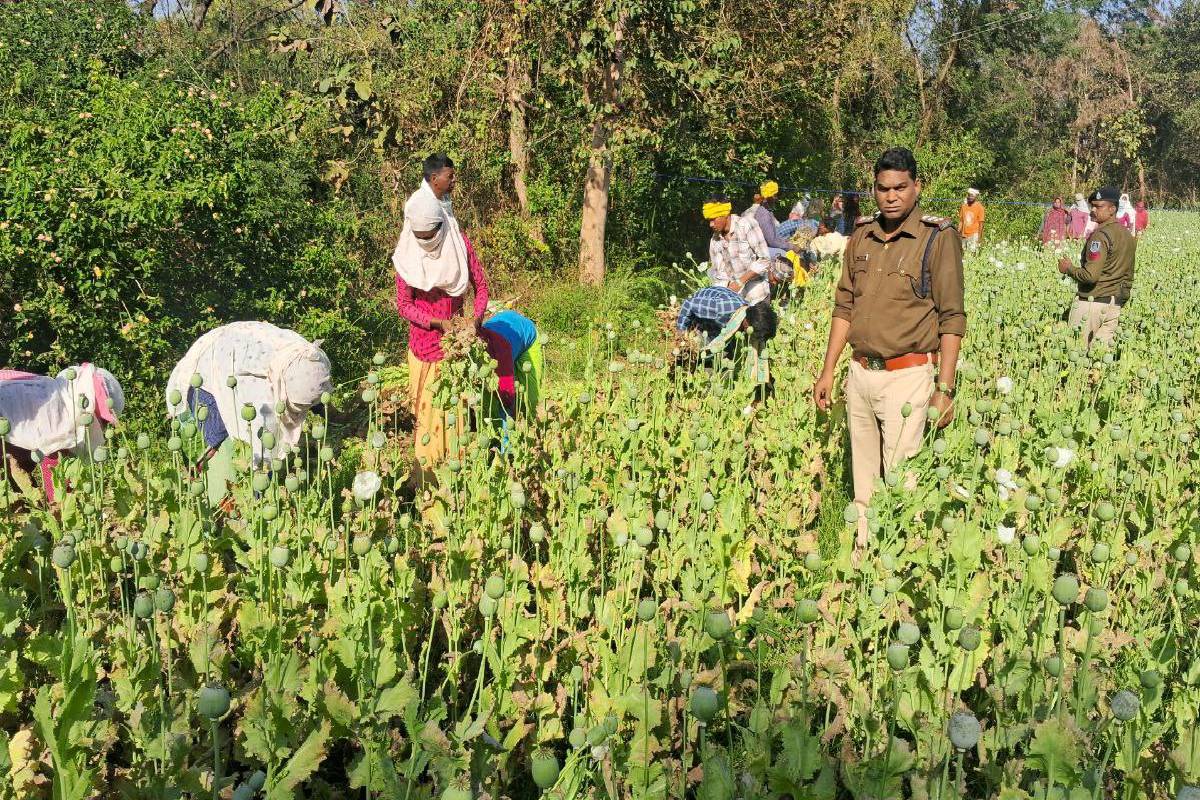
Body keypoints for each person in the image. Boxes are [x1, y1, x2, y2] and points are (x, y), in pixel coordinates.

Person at [813, 147, 965, 545]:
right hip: (860, 373)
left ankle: (897, 570)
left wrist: (944, 390)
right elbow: (844, 306)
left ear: (917, 187)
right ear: (874, 190)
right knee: (863, 483)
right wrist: (829, 369)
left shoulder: (937, 238)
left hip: (908, 378)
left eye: (900, 187)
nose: (891, 196)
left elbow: (952, 318)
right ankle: (864, 562)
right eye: (883, 188)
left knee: (901, 483)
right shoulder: (861, 234)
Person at [392, 153, 490, 486]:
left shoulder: (459, 244)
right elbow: (404, 305)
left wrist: (471, 323)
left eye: (431, 234)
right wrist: (437, 324)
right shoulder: (406, 256)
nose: (426, 242)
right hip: (422, 351)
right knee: (427, 429)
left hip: (454, 355)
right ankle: (427, 492)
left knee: (455, 425)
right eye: (420, 236)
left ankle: (458, 487)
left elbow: (482, 287)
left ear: (441, 226)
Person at [166, 322, 332, 499]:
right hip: (205, 377)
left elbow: (315, 390)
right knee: (223, 456)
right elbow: (261, 450)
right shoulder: (261, 394)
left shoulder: (308, 359)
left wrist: (330, 414)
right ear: (281, 391)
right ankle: (217, 506)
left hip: (232, 348)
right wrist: (258, 497)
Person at [0, 364, 124, 502]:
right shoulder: (61, 420)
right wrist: (62, 506)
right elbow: (55, 478)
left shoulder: (46, 390)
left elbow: (18, 463)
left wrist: (31, 499)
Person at [1056, 186, 1136, 350]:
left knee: (1076, 354)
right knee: (1098, 361)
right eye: (1092, 205)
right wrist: (1120, 300)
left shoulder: (1100, 236)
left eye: (1098, 206)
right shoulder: (1127, 235)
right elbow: (1128, 273)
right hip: (1114, 305)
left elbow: (1090, 275)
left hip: (1092, 304)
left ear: (1112, 209)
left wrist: (1069, 268)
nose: (1093, 210)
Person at [676, 286, 779, 386]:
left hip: (713, 326)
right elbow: (688, 304)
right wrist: (681, 334)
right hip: (697, 323)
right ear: (747, 325)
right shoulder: (720, 309)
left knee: (726, 362)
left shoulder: (744, 316)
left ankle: (709, 385)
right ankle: (686, 381)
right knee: (695, 356)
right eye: (754, 336)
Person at [703, 194, 773, 306]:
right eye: (709, 220)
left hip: (756, 293)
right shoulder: (715, 241)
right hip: (734, 299)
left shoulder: (746, 225)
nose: (711, 224)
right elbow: (718, 274)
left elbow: (765, 259)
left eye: (713, 219)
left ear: (725, 214)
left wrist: (740, 281)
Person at [480, 310, 543, 419]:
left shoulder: (501, 349)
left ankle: (532, 423)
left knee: (531, 393)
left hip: (527, 336)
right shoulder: (475, 343)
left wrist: (510, 418)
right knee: (488, 397)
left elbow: (507, 394)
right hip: (508, 328)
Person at [742, 180, 802, 260]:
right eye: (774, 196)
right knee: (789, 256)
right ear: (768, 198)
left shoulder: (766, 211)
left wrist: (787, 243)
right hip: (760, 251)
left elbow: (774, 237)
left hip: (766, 247)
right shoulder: (764, 215)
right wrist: (792, 247)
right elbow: (772, 241)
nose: (776, 198)